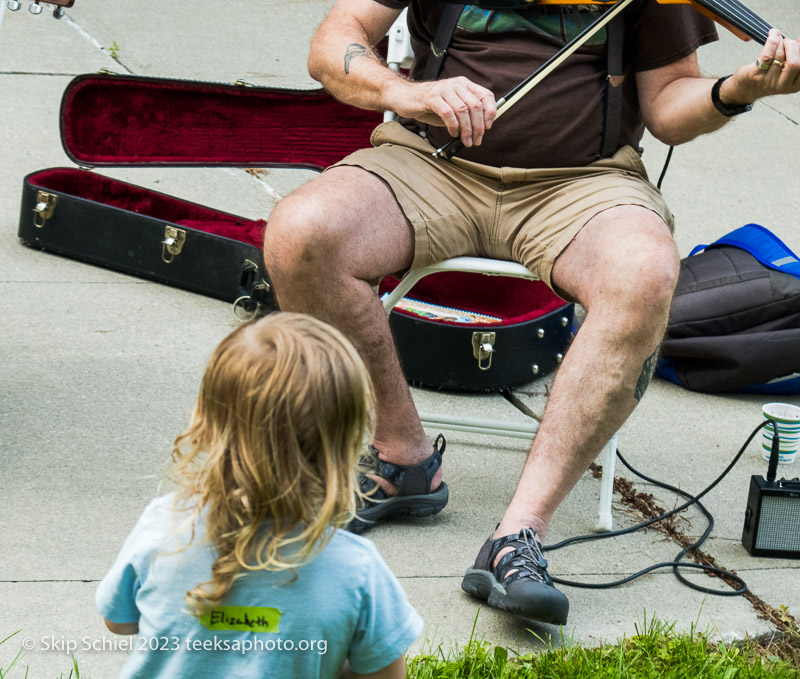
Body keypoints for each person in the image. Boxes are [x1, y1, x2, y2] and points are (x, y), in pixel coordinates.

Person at [263, 0, 800, 625]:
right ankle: (401, 457)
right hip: (429, 162)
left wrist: (738, 89)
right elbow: (333, 42)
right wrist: (406, 93)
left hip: (584, 179)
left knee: (645, 274)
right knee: (301, 233)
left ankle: (517, 538)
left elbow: (668, 108)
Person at [96, 313, 422, 679]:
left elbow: (118, 621)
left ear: (206, 425)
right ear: (343, 446)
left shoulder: (164, 525)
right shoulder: (358, 570)